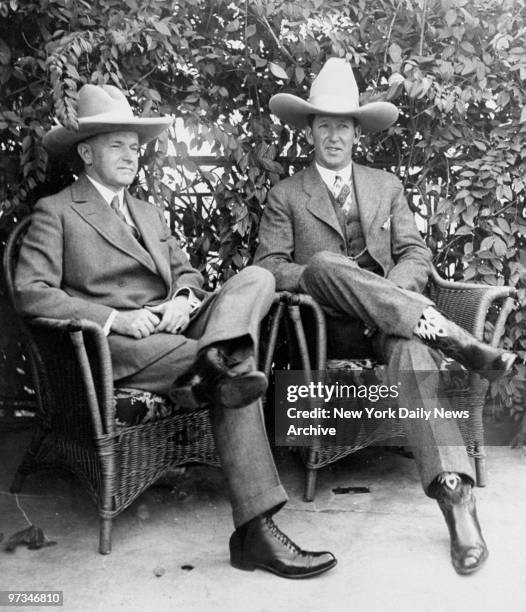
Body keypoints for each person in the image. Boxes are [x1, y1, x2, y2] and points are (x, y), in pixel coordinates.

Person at [14, 83, 337, 579]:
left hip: (175, 332)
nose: (130, 156)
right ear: (86, 151)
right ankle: (255, 530)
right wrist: (114, 318)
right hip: (117, 346)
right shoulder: (57, 211)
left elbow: (188, 272)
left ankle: (214, 361)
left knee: (259, 277)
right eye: (117, 144)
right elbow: (31, 291)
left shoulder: (146, 212)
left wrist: (183, 300)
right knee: (234, 378)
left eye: (134, 147)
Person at [255, 58, 517, 575]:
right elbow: (268, 269)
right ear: (310, 130)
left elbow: (416, 254)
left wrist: (391, 296)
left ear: (357, 133)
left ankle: (456, 499)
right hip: (325, 326)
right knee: (326, 263)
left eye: (344, 126)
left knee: (412, 348)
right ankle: (454, 338)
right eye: (324, 125)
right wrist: (318, 275)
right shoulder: (286, 194)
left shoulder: (385, 186)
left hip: (393, 325)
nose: (334, 136)